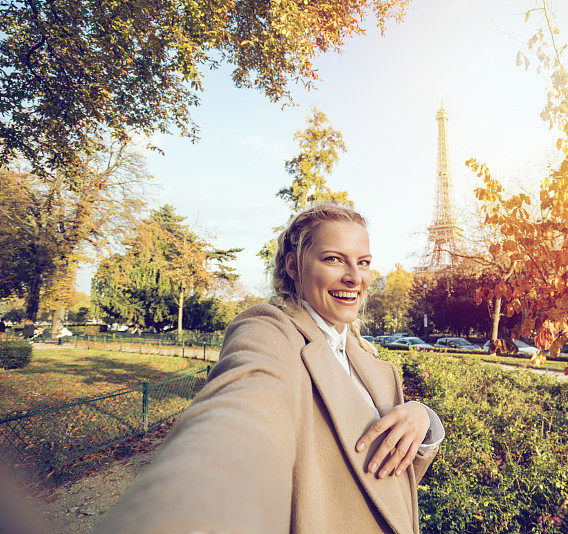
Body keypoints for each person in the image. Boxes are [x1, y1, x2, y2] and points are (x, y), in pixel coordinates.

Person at [95, 203, 444, 534]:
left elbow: (390, 481)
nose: (355, 277)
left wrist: (424, 419)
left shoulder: (368, 360)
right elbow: (243, 406)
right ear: (293, 266)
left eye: (364, 262)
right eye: (334, 259)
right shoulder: (270, 331)